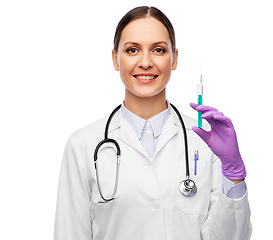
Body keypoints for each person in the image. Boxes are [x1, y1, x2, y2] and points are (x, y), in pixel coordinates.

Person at [54, 6, 252, 240]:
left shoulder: (206, 143)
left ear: (174, 58)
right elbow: (69, 233)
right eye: (132, 50)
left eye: (158, 50)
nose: (146, 62)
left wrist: (234, 175)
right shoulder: (83, 145)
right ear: (115, 59)